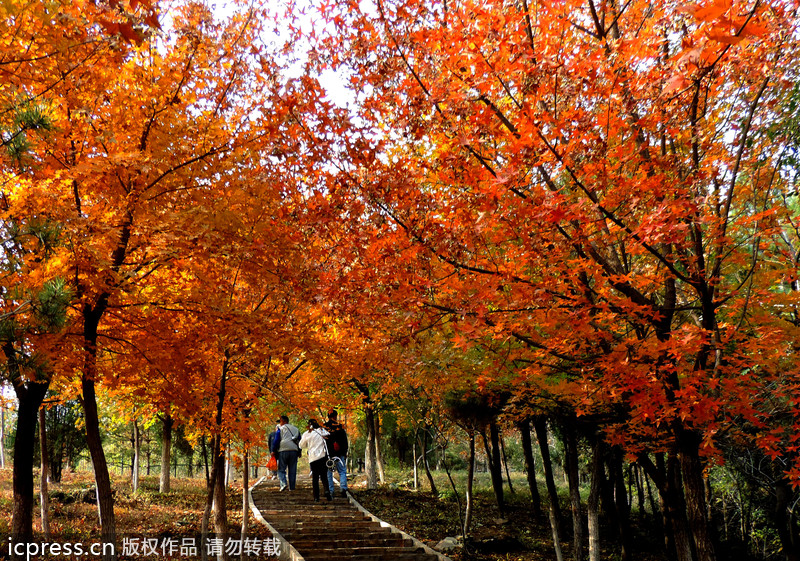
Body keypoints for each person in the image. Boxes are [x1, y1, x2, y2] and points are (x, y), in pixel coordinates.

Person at [299, 419, 332, 502]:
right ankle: (327, 491)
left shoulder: (307, 434)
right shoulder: (321, 431)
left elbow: (301, 445)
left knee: (315, 478)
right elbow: (329, 435)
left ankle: (316, 497)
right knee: (324, 476)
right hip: (323, 456)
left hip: (313, 458)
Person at [324, 409, 349, 497]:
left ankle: (331, 490)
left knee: (328, 472)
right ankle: (343, 488)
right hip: (339, 453)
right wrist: (345, 451)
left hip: (328, 454)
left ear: (328, 416)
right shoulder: (340, 427)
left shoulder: (324, 427)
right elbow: (345, 441)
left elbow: (322, 441)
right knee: (342, 471)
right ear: (335, 416)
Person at [275, 415, 301, 491]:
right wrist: (299, 451)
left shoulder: (280, 429)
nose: (280, 423)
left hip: (283, 450)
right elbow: (300, 441)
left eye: (280, 421)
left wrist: (274, 450)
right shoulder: (296, 429)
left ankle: (283, 483)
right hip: (294, 450)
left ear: (283, 421)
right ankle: (292, 487)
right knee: (292, 469)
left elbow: (277, 440)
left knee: (281, 469)